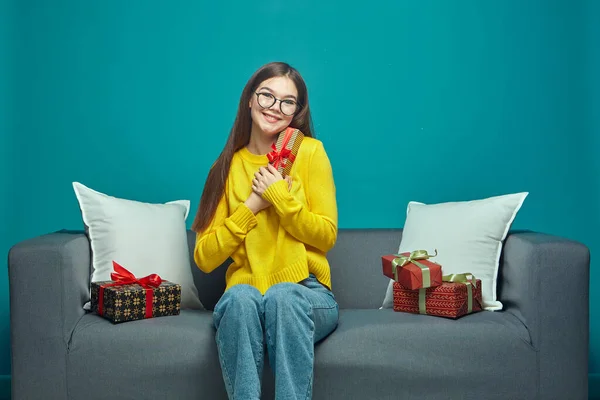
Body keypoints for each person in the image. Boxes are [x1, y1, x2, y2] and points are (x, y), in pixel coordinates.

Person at [191, 61, 339, 400]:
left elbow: (326, 236)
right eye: (267, 96)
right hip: (248, 296)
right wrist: (250, 208)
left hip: (305, 292)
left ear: (296, 112)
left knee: (282, 296)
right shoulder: (226, 168)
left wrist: (280, 198)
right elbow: (205, 257)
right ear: (250, 99)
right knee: (240, 298)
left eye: (288, 102)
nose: (275, 107)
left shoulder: (311, 153)